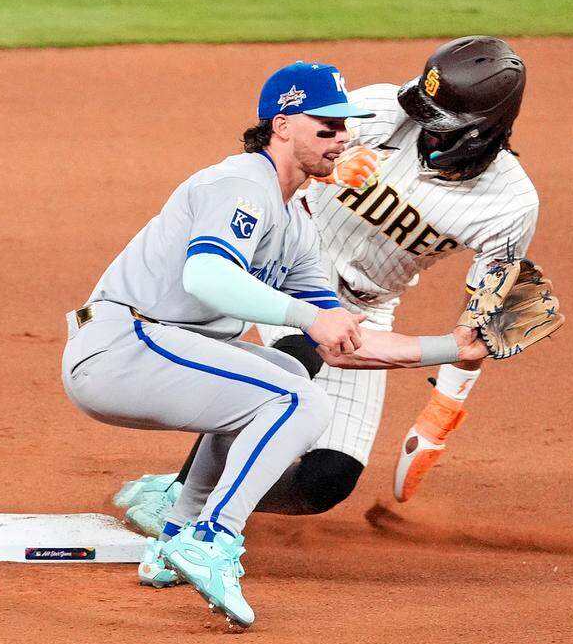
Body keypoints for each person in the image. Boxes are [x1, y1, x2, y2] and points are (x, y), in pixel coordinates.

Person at [62, 60, 489, 629]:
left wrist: (452, 347)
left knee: (286, 383)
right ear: (282, 124)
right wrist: (304, 317)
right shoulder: (241, 183)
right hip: (123, 345)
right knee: (299, 401)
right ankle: (213, 537)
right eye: (327, 126)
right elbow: (207, 278)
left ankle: (174, 540)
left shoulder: (296, 224)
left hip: (158, 348)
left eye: (347, 127)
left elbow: (344, 342)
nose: (343, 139)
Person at [116, 36, 537, 535]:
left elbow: (479, 330)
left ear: (479, 130)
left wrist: (441, 414)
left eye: (437, 118)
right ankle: (183, 497)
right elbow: (286, 153)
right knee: (296, 360)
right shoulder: (382, 108)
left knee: (325, 483)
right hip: (279, 269)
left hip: (363, 309)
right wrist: (327, 177)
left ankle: (202, 493)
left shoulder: (509, 205)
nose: (420, 122)